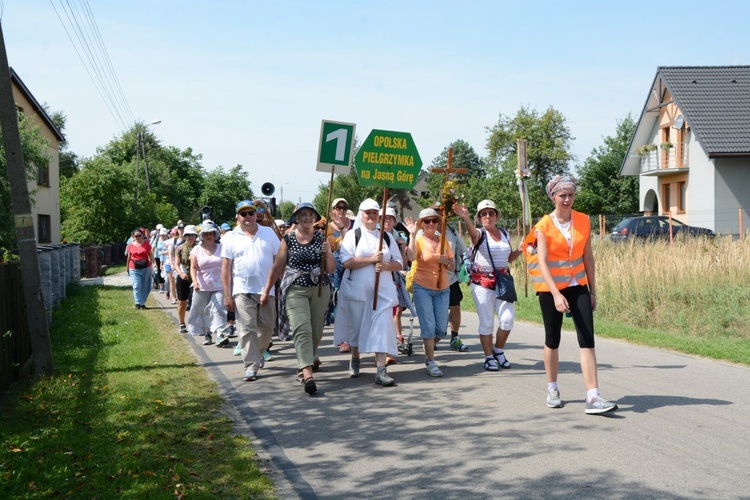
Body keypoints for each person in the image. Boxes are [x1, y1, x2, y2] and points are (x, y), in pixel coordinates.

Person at [525, 175, 618, 414]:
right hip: (551, 288)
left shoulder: (584, 220)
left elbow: (588, 257)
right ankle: (552, 388)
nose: (567, 200)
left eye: (571, 195)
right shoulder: (543, 225)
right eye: (562, 195)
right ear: (553, 197)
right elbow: (542, 262)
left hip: (578, 284)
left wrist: (593, 290)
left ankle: (593, 396)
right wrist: (556, 294)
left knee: (587, 338)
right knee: (552, 338)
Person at [262, 203, 335, 395]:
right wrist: (266, 290)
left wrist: (327, 252)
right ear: (297, 217)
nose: (307, 218)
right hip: (295, 289)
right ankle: (308, 374)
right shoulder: (288, 239)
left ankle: (306, 363)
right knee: (302, 329)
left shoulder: (322, 238)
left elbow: (331, 269)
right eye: (303, 214)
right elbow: (277, 267)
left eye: (311, 215)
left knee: (316, 329)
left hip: (320, 288)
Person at [333, 198, 402, 386]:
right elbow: (346, 261)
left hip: (382, 294)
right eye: (367, 213)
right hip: (357, 292)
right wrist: (371, 259)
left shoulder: (385, 236)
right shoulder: (352, 235)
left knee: (382, 327)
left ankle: (381, 370)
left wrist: (386, 265)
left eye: (374, 213)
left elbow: (399, 262)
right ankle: (355, 359)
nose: (371, 216)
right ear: (361, 215)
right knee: (356, 328)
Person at [455, 200, 522, 371]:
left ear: (496, 216)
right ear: (479, 218)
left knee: (507, 319)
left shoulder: (504, 233)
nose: (487, 216)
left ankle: (498, 351)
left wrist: (520, 250)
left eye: (491, 213)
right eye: (483, 214)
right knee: (486, 322)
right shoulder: (479, 233)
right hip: (482, 283)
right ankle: (488, 357)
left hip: (502, 282)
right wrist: (466, 218)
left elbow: (509, 258)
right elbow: (472, 235)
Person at [222, 200, 280, 382]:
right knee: (247, 329)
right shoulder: (231, 237)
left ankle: (259, 353)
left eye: (251, 213)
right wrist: (227, 294)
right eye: (243, 214)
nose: (247, 217)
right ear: (237, 217)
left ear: (256, 214)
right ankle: (251, 365)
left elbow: (278, 262)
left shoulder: (268, 233)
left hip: (266, 289)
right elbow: (225, 268)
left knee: (268, 328)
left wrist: (275, 286)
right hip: (242, 290)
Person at [404, 208, 454, 377]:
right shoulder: (418, 240)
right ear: (421, 224)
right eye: (427, 221)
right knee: (429, 327)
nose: (431, 223)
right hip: (422, 287)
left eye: (434, 220)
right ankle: (431, 361)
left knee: (440, 329)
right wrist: (411, 236)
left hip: (442, 289)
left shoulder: (443, 239)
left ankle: (428, 348)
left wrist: (446, 261)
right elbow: (410, 258)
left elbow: (453, 266)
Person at [431, 201, 470, 352]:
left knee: (455, 307)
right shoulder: (426, 231)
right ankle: (432, 338)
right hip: (431, 278)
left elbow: (464, 251)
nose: (440, 215)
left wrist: (468, 272)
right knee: (436, 311)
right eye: (436, 212)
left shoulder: (451, 232)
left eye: (442, 211)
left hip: (451, 277)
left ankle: (454, 338)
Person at [189, 222, 229, 346]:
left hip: (219, 285)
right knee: (202, 310)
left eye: (210, 234)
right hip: (202, 286)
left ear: (214, 235)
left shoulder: (222, 248)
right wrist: (194, 281)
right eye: (205, 234)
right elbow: (193, 267)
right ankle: (207, 334)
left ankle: (220, 334)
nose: (208, 236)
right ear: (202, 236)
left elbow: (227, 266)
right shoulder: (196, 249)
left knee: (219, 309)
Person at [175, 225, 199, 334]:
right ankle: (181, 323)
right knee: (182, 302)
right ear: (185, 236)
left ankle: (196, 324)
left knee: (196, 302)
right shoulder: (180, 248)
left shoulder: (200, 247)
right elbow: (176, 264)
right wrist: (180, 273)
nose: (190, 237)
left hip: (197, 277)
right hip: (184, 277)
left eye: (193, 235)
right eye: (188, 235)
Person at [125, 228, 155, 309]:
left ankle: (142, 303)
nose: (138, 237)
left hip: (145, 267)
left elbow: (150, 254)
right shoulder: (130, 246)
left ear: (142, 236)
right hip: (134, 267)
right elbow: (128, 257)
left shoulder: (146, 244)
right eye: (136, 236)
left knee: (146, 286)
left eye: (139, 236)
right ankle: (137, 302)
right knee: (136, 285)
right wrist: (127, 267)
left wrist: (154, 262)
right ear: (133, 237)